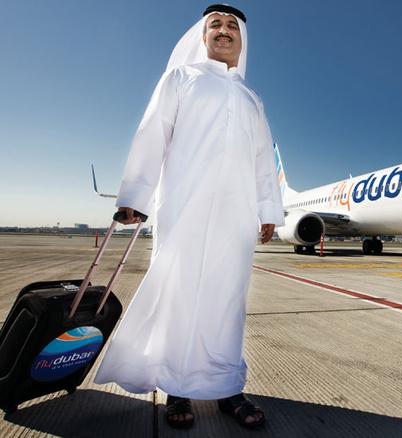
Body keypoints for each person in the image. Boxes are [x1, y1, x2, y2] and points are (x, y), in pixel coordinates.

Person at [94, 4, 284, 430]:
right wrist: (135, 196)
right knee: (180, 295)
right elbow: (152, 133)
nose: (224, 30)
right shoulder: (181, 79)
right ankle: (177, 387)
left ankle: (226, 388)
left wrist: (268, 210)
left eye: (232, 25)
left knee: (227, 301)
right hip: (184, 206)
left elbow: (261, 162)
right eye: (215, 24)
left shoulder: (252, 98)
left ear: (242, 42)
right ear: (202, 36)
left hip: (235, 215)